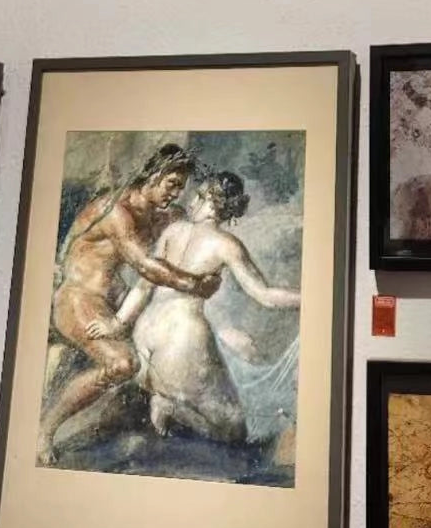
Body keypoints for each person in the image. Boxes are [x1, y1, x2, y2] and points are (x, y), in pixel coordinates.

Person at [87, 170, 300, 443]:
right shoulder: (226, 244)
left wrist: (116, 323)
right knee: (233, 431)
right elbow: (265, 295)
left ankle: (161, 398)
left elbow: (143, 286)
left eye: (199, 196)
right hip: (181, 341)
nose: (190, 202)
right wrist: (306, 298)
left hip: (145, 333)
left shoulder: (172, 231)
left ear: (213, 201)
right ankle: (170, 407)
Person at [38, 144, 219, 464]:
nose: (176, 194)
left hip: (115, 299)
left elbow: (186, 239)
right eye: (172, 184)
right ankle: (45, 429)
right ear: (154, 175)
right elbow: (146, 266)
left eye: (181, 188)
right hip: (79, 298)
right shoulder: (116, 211)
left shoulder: (164, 214)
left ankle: (175, 412)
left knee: (178, 332)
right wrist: (195, 284)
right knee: (123, 364)